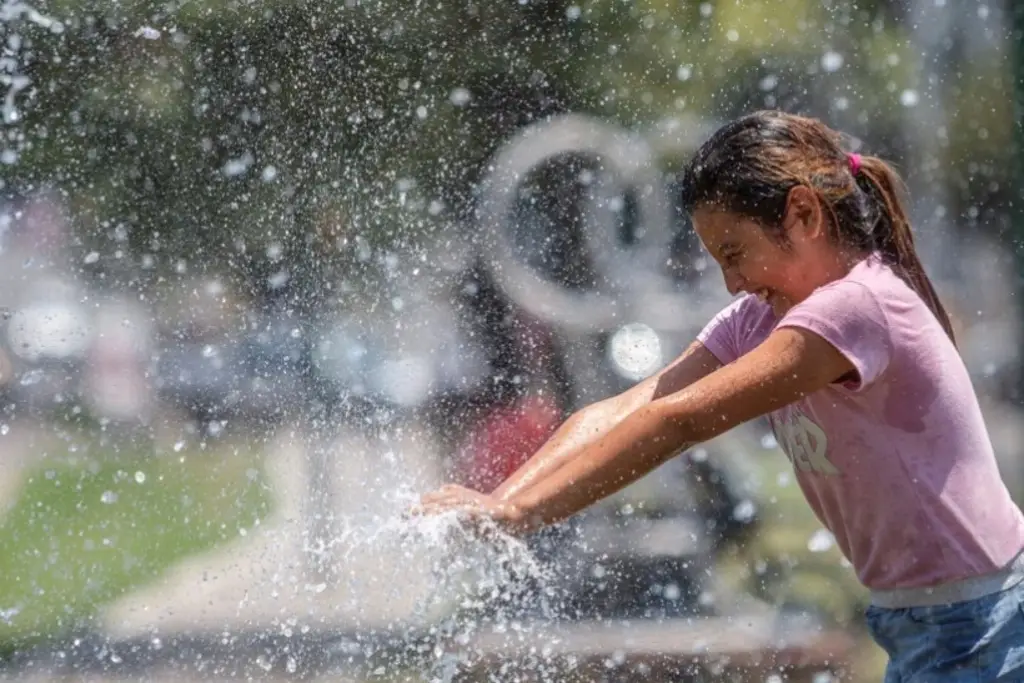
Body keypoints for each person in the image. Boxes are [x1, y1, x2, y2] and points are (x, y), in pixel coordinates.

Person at [415, 110, 1024, 681]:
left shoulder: (856, 308)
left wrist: (525, 514)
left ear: (804, 214)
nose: (731, 281)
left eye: (735, 253)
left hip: (987, 619)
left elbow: (680, 422)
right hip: (917, 616)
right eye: (717, 261)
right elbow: (625, 406)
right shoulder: (757, 317)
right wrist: (498, 501)